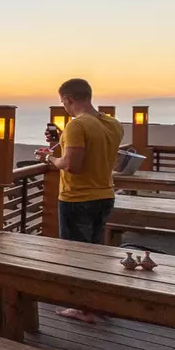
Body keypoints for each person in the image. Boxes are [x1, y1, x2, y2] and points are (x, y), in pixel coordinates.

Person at [37, 78, 124, 323]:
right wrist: (58, 143)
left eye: (63, 101)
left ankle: (82, 308)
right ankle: (96, 304)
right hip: (105, 195)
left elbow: (72, 165)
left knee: (76, 257)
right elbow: (93, 153)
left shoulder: (77, 125)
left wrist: (49, 159)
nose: (64, 106)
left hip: (77, 199)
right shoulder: (112, 124)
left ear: (68, 99)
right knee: (95, 253)